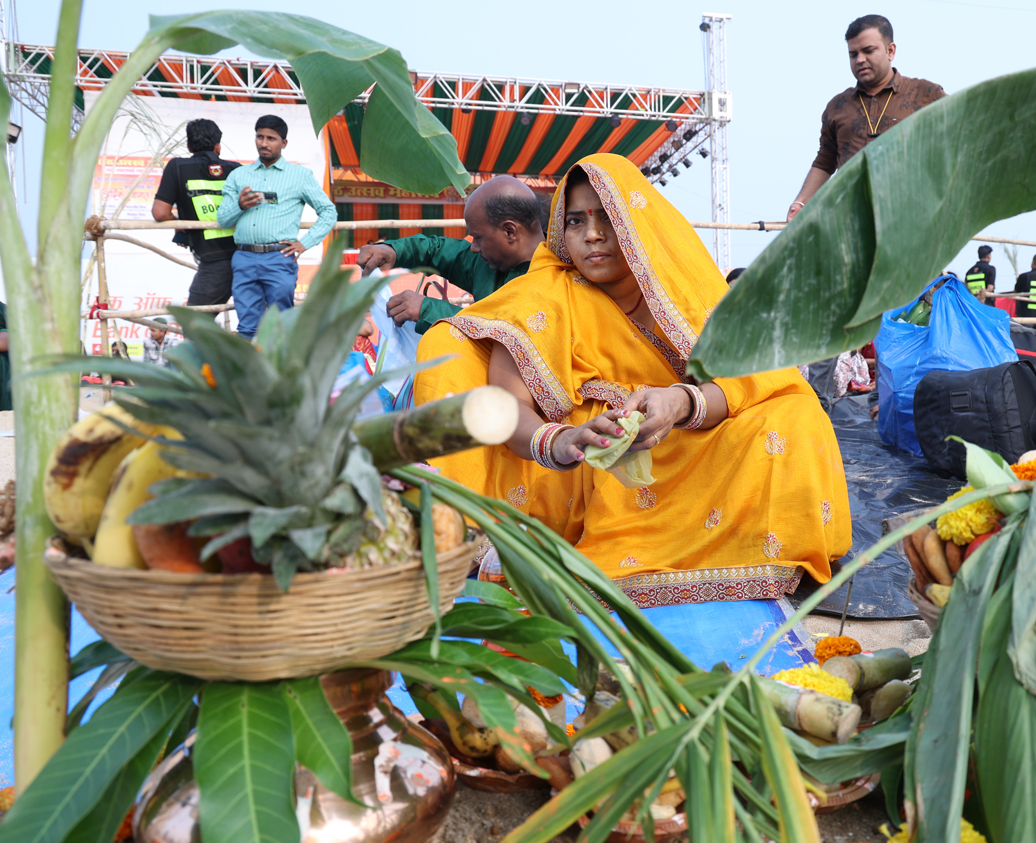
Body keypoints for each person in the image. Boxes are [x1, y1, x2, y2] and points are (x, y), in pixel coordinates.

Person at [414, 153, 851, 606]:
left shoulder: (682, 286)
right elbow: (507, 408)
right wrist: (565, 441)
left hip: (681, 447)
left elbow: (754, 378)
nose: (592, 234)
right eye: (576, 221)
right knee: (445, 343)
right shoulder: (543, 294)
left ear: (636, 219)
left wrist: (679, 402)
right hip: (586, 469)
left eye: (607, 217)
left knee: (796, 415)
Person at [787, 15, 945, 221]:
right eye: (853, 54)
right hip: (850, 222)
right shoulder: (838, 106)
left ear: (891, 51)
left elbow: (959, 141)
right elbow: (825, 162)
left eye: (868, 51)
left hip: (912, 220)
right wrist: (801, 203)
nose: (859, 59)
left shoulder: (926, 94)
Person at [356, 176, 546, 335]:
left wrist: (430, 311)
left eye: (478, 238)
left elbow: (506, 336)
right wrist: (394, 250)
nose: (474, 248)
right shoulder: (488, 264)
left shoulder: (553, 281)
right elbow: (437, 250)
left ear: (510, 231)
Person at [217, 114, 337, 339]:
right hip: (244, 257)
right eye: (260, 137)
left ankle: (279, 362)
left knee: (281, 325)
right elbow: (223, 219)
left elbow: (329, 212)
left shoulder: (300, 175)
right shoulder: (238, 175)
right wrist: (240, 206)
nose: (264, 143)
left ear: (284, 143)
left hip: (279, 257)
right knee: (247, 327)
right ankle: (250, 363)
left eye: (271, 138)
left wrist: (305, 243)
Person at [152, 119, 241, 308]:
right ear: (218, 147)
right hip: (248, 256)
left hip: (214, 261)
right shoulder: (236, 169)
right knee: (255, 320)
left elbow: (160, 213)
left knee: (195, 322)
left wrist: (181, 225)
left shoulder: (177, 167)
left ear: (189, 146)